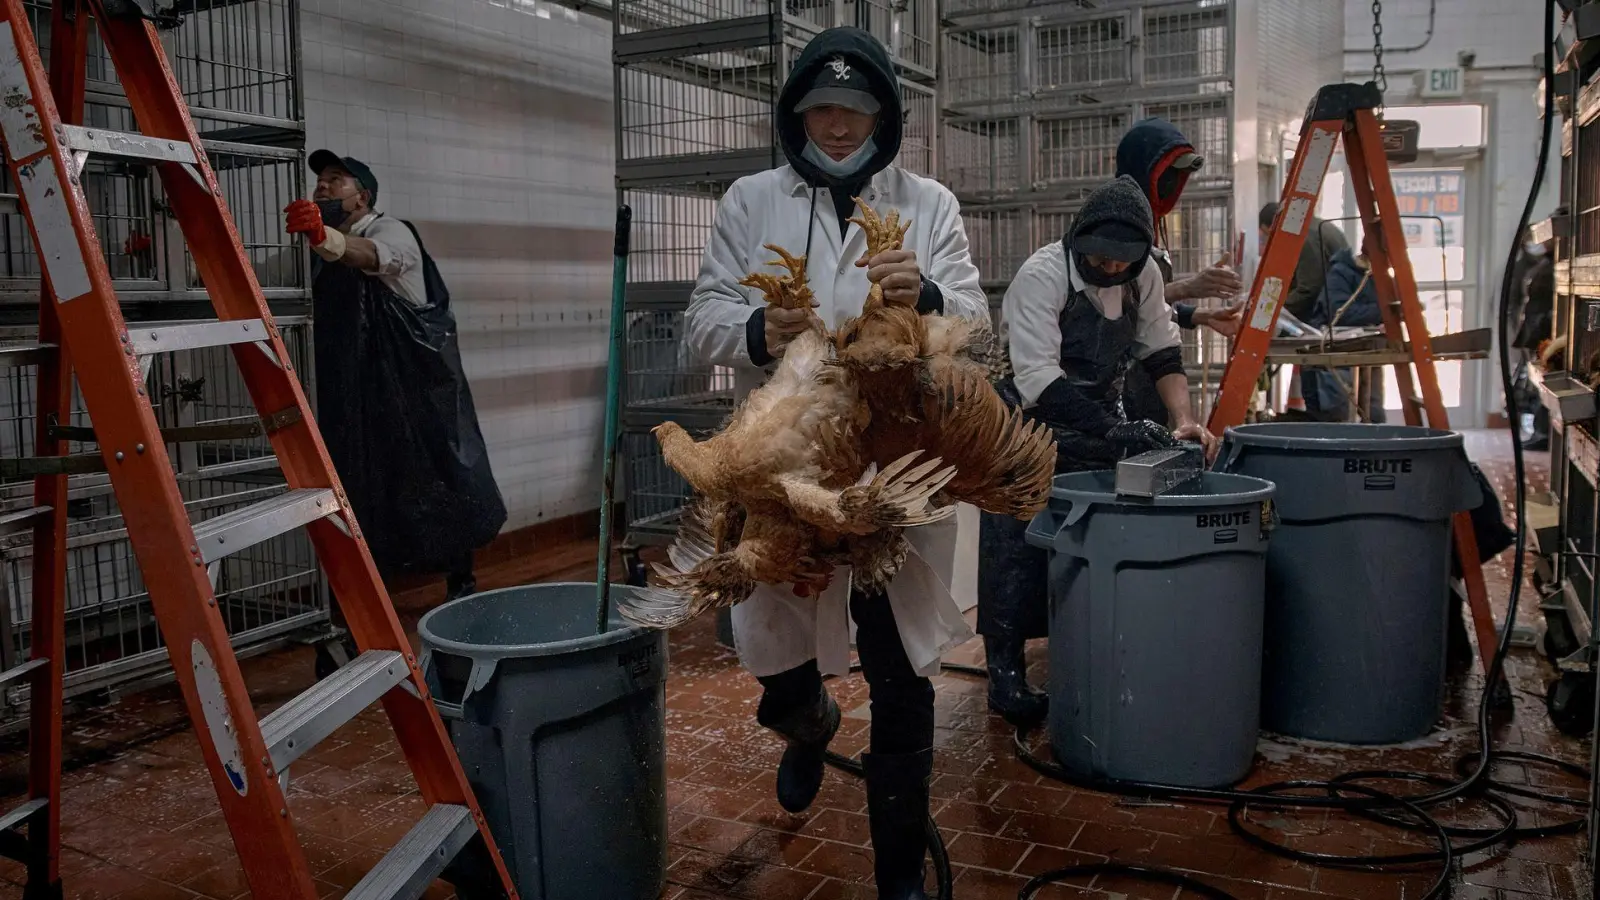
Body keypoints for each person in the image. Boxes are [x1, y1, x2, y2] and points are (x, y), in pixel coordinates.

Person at [682, 27, 987, 900]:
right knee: (771, 635)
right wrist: (751, 330)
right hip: (789, 456)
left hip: (897, 457)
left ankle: (897, 873)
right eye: (823, 106)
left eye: (857, 109)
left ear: (884, 116)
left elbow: (974, 311)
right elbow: (705, 309)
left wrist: (927, 295)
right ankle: (804, 719)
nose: (840, 124)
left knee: (899, 662)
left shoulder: (928, 202)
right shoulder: (752, 199)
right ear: (796, 113)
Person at [975, 175, 1220, 726]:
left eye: (1121, 263)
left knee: (1088, 538)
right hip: (1026, 427)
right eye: (1099, 259)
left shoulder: (1145, 276)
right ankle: (1006, 677)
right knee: (1014, 549)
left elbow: (1161, 353)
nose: (1110, 270)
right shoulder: (1042, 277)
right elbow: (1039, 379)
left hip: (1097, 422)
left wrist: (1183, 420)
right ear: (1077, 242)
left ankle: (1085, 649)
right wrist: (1114, 430)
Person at [284, 152, 507, 628]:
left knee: (444, 470)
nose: (321, 188)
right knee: (369, 481)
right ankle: (365, 594)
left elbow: (374, 258)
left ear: (362, 196)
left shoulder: (390, 231)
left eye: (334, 181)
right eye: (319, 182)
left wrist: (325, 237)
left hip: (421, 386)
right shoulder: (312, 250)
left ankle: (460, 579)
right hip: (361, 389)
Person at [1114, 117, 1244, 427]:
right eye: (1169, 174)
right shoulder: (1116, 225)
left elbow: (1150, 307)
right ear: (1146, 171)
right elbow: (1115, 298)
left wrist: (1199, 316)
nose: (1175, 183)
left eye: (1180, 175)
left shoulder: (1151, 224)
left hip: (1148, 377)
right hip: (1118, 384)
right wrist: (1188, 287)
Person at [1259, 201, 1350, 417]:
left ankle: (1324, 429)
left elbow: (1309, 288)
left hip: (1325, 320)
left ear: (1275, 225)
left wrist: (1274, 312)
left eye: (1268, 234)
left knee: (1320, 383)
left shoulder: (1305, 236)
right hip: (1333, 315)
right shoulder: (1315, 227)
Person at [1300, 237, 1388, 422]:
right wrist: (1385, 311)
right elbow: (1341, 314)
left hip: (1364, 349)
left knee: (1374, 413)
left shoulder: (1376, 276)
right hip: (1330, 350)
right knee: (1335, 416)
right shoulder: (1341, 273)